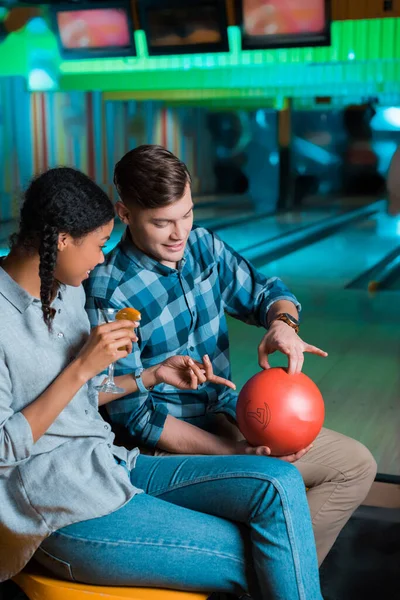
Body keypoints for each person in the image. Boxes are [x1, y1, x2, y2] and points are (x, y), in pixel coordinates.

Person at [0, 166, 323, 599]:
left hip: (112, 465)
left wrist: (150, 375)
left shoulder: (65, 287)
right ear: (62, 240)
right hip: (61, 508)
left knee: (278, 482)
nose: (101, 259)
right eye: (98, 246)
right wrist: (80, 367)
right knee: (263, 555)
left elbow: (84, 399)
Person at [85, 145, 377, 566]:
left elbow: (268, 292)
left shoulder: (202, 246)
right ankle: (270, 577)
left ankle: (273, 581)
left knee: (355, 465)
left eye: (186, 214)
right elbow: (137, 420)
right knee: (279, 486)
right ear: (125, 214)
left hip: (229, 415)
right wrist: (233, 452)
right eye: (162, 222)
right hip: (168, 451)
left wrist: (282, 324)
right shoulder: (110, 293)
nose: (179, 233)